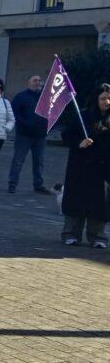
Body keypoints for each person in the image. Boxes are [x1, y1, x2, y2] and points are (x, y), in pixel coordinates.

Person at [59, 84, 110, 248]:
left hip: (103, 169)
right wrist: (78, 143)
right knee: (77, 200)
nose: (107, 102)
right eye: (103, 98)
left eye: (109, 99)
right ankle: (71, 234)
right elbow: (66, 135)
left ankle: (98, 237)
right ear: (96, 100)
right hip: (81, 167)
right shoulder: (83, 117)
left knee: (100, 203)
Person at [9, 74, 53, 194]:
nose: (37, 82)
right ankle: (12, 184)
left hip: (40, 136)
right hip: (24, 135)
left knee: (39, 162)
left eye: (39, 80)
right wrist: (25, 124)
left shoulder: (45, 98)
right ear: (28, 83)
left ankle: (38, 185)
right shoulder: (21, 97)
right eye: (34, 80)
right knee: (18, 160)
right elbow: (13, 113)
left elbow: (52, 112)